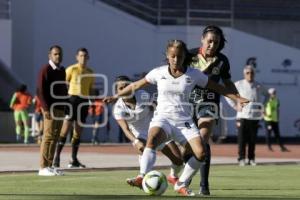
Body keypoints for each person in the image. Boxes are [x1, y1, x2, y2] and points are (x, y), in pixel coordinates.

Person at [104, 40, 248, 196]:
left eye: (179, 56)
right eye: (172, 56)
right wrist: (115, 96)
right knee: (151, 139)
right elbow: (134, 86)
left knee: (201, 153)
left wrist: (237, 98)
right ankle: (142, 176)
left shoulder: (194, 74)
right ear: (167, 55)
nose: (175, 60)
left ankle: (181, 184)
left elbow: (218, 87)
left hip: (183, 121)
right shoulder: (158, 72)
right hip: (162, 118)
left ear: (184, 56)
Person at [187, 25, 240, 195]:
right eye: (209, 41)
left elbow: (227, 82)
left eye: (216, 43)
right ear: (202, 39)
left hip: (209, 104)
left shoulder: (223, 60)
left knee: (203, 139)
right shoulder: (188, 55)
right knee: (187, 145)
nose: (212, 45)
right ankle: (184, 179)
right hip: (187, 104)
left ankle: (204, 185)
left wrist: (237, 98)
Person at [112, 75, 183, 187]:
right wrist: (135, 141)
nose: (125, 90)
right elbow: (125, 129)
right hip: (140, 135)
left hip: (158, 129)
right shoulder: (118, 108)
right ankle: (143, 178)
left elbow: (157, 107)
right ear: (117, 91)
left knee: (178, 161)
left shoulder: (142, 95)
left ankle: (173, 176)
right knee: (144, 149)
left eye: (127, 86)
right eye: (121, 88)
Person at [53, 47, 94, 168]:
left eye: (85, 56)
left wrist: (91, 102)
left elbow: (91, 89)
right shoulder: (71, 69)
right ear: (77, 57)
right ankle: (56, 158)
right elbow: (64, 84)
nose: (83, 58)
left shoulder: (91, 72)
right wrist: (66, 99)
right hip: (72, 100)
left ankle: (73, 159)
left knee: (78, 131)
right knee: (65, 129)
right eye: (81, 56)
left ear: (88, 57)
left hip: (84, 101)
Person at [227, 65, 268, 167]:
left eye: (252, 73)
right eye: (247, 73)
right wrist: (235, 106)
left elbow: (267, 95)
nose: (250, 75)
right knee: (242, 139)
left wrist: (262, 107)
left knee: (252, 139)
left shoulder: (258, 85)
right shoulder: (239, 84)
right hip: (242, 116)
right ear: (244, 74)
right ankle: (241, 158)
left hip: (254, 116)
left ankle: (251, 158)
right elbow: (228, 95)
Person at [37, 45, 68, 176]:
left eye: (60, 54)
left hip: (61, 108)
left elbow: (63, 90)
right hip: (50, 108)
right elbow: (40, 90)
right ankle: (43, 167)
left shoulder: (62, 70)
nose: (58, 56)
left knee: (55, 137)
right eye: (55, 54)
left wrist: (66, 106)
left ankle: (50, 165)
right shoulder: (46, 69)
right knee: (48, 136)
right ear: (50, 55)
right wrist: (45, 108)